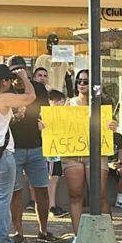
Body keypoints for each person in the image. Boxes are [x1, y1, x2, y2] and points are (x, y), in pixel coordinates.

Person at [0, 62, 35, 243]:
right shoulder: (2, 98)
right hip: (2, 155)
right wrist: (25, 78)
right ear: (4, 81)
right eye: (10, 80)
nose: (12, 84)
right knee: (2, 199)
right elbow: (30, 97)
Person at [8, 60, 58, 243]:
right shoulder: (7, 91)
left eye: (21, 71)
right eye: (14, 72)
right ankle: (17, 231)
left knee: (42, 189)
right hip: (15, 146)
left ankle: (43, 230)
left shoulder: (38, 88)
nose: (18, 76)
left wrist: (43, 122)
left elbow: (45, 111)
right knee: (16, 191)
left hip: (37, 145)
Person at [62, 68, 113, 243]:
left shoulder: (101, 104)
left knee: (99, 196)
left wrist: (112, 126)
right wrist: (45, 125)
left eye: (86, 81)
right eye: (79, 81)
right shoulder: (68, 104)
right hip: (73, 154)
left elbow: (110, 126)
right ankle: (78, 236)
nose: (82, 84)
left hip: (97, 153)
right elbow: (58, 125)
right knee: (75, 195)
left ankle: (105, 235)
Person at [45, 88, 69, 219]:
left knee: (55, 177)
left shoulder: (62, 116)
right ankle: (51, 205)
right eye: (58, 100)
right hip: (50, 151)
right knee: (52, 178)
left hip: (58, 151)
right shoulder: (46, 115)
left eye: (62, 101)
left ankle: (51, 204)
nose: (61, 103)